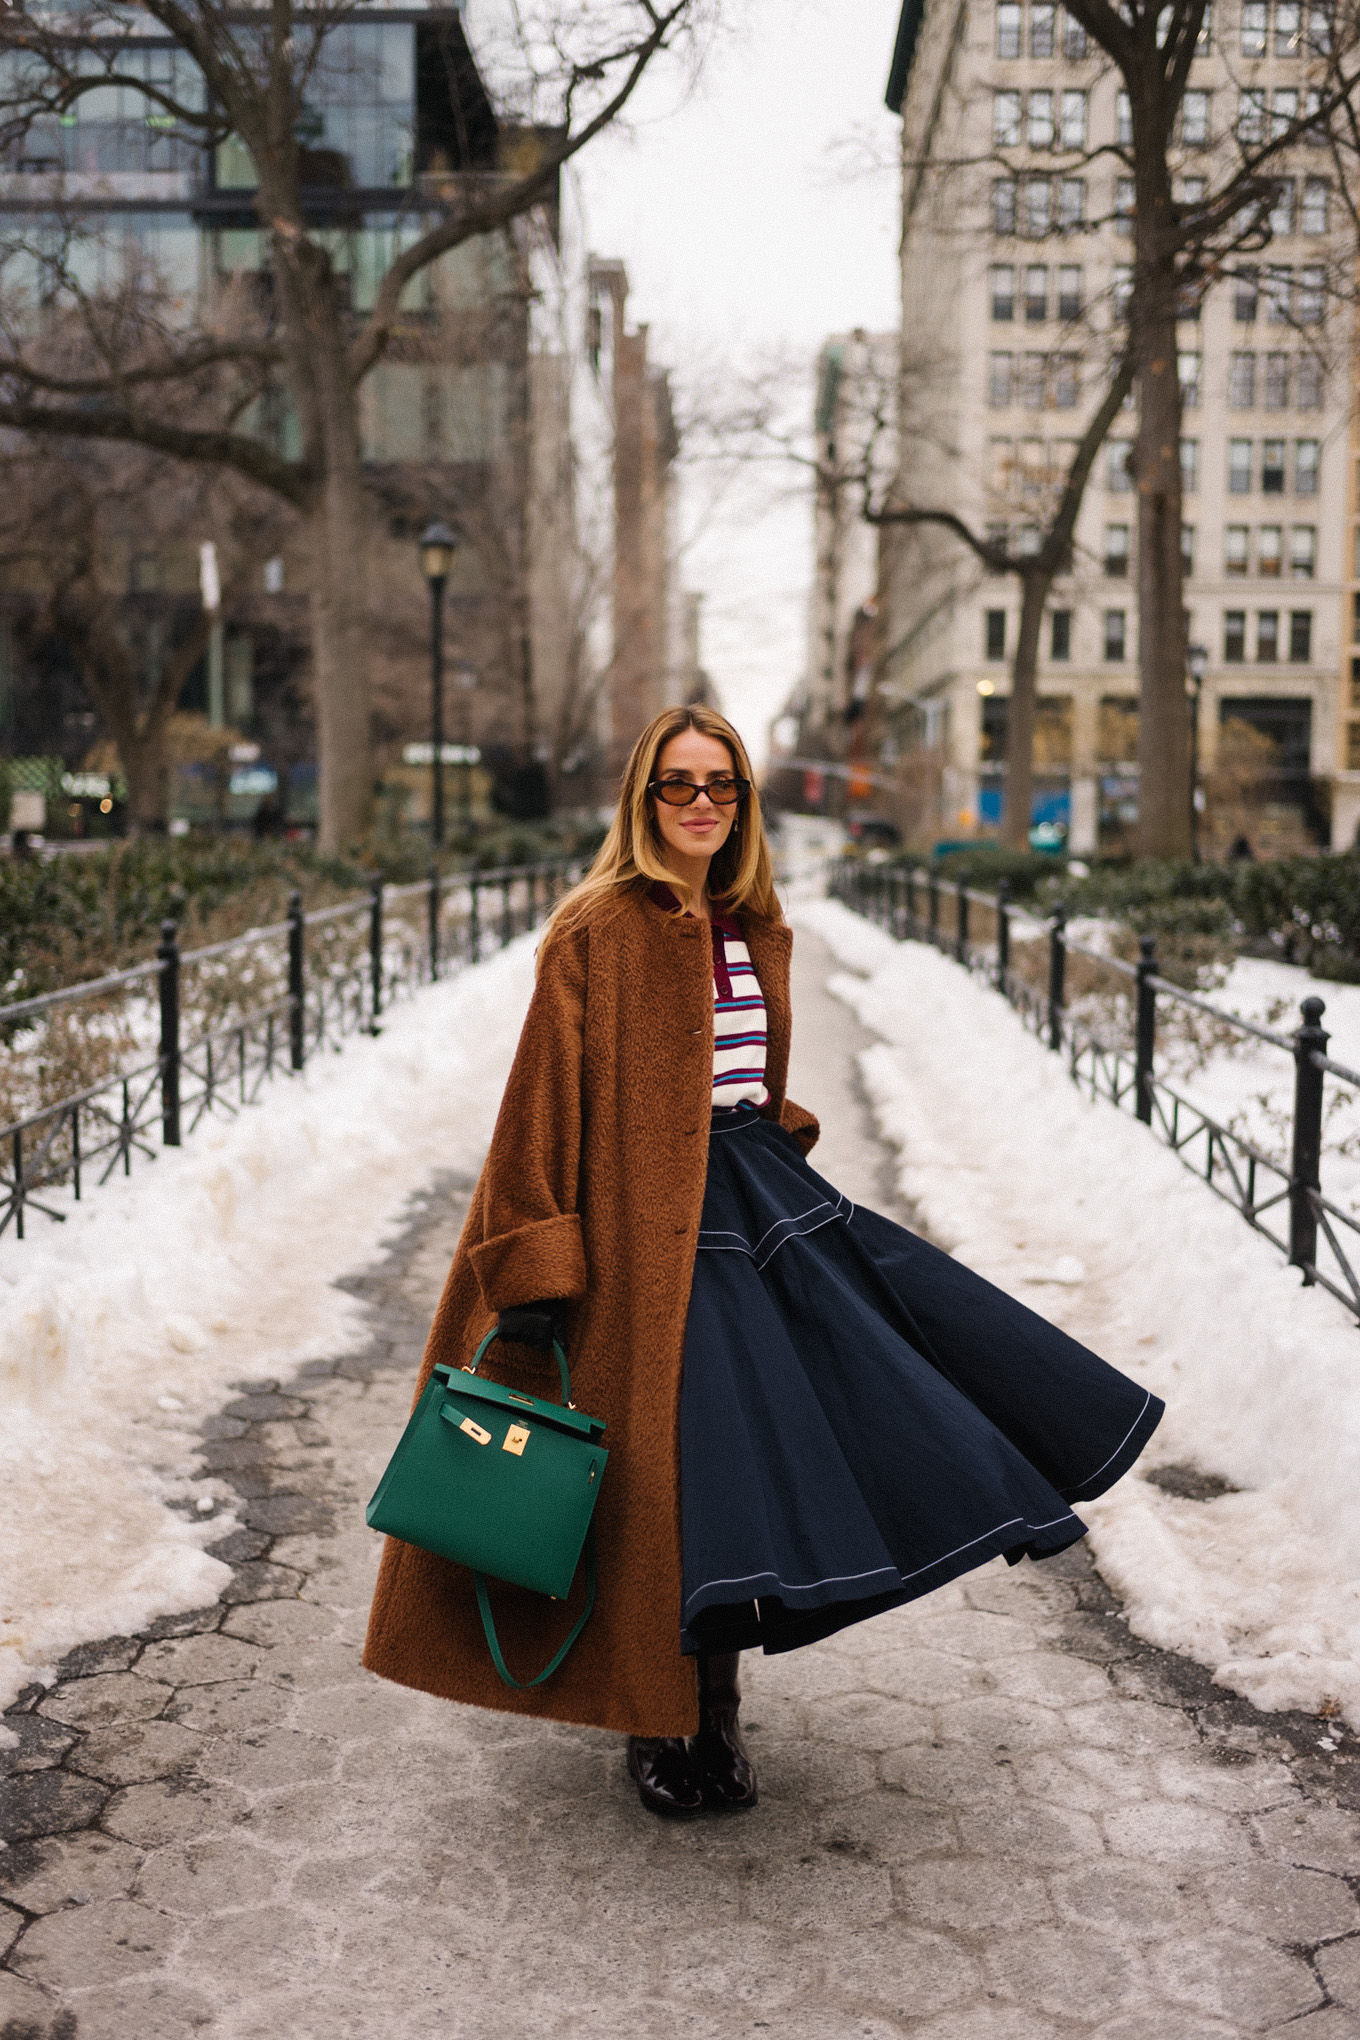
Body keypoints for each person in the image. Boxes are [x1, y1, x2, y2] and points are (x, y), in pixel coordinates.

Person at [363, 705, 1163, 1816]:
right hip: (639, 1233)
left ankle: (718, 1706)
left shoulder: (750, 926)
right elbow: (536, 1111)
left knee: (771, 1447)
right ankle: (658, 1717)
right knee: (663, 1476)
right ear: (643, 799)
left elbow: (735, 1074)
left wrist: (771, 1130)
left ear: (743, 803)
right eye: (677, 784)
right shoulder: (594, 929)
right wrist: (535, 1269)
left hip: (752, 1207)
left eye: (721, 785)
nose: (700, 803)